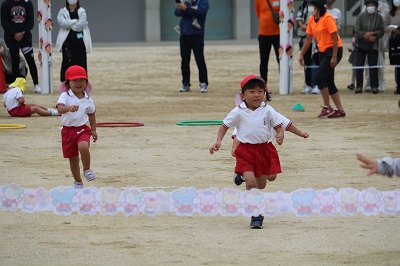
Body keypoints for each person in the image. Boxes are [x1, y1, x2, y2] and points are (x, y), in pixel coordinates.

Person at [209, 75, 284, 229]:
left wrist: (280, 134)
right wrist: (218, 141)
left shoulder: (268, 110)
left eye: (260, 91)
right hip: (245, 151)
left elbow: (278, 125)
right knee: (251, 183)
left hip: (263, 150)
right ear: (242, 95)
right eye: (251, 91)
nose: (256, 95)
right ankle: (256, 214)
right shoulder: (238, 111)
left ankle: (241, 175)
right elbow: (224, 125)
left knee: (261, 184)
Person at [232, 86, 309, 186]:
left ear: (266, 98)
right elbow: (237, 134)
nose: (257, 96)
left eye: (261, 93)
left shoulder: (271, 113)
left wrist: (300, 133)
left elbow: (288, 125)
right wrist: (234, 147)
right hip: (249, 148)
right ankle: (244, 174)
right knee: (253, 176)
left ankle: (248, 176)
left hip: (267, 149)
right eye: (253, 93)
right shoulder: (244, 114)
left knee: (271, 177)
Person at [298, 0, 346, 118]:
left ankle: (327, 107)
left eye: (311, 5)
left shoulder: (328, 18)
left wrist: (334, 56)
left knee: (319, 77)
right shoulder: (311, 19)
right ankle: (340, 110)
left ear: (317, 7)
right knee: (329, 81)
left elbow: (335, 38)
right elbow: (308, 39)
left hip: (334, 49)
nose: (309, 7)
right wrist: (302, 54)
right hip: (322, 51)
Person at [56, 65, 97, 189]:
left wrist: (93, 129)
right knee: (73, 160)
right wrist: (68, 108)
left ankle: (87, 169)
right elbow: (59, 109)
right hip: (68, 131)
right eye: (74, 80)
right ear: (68, 82)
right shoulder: (65, 96)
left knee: (83, 146)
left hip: (82, 129)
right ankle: (78, 182)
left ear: (86, 81)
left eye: (82, 80)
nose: (79, 83)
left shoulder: (87, 98)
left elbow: (92, 113)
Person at [1, 0, 41, 93]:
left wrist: (23, 32)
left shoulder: (27, 3)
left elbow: (30, 21)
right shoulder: (6, 4)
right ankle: (17, 85)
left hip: (25, 37)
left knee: (30, 61)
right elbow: (4, 22)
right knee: (14, 62)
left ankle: (36, 85)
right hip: (11, 38)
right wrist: (14, 33)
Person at [175, 0, 209, 93]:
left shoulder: (203, 2)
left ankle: (203, 83)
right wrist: (187, 8)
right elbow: (177, 12)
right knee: (184, 61)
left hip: (197, 36)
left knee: (200, 60)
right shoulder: (185, 1)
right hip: (184, 36)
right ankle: (185, 83)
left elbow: (200, 12)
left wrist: (186, 8)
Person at [55, 0, 92, 83]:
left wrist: (69, 25)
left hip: (79, 42)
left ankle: (82, 82)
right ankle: (65, 82)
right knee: (66, 62)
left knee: (80, 62)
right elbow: (62, 23)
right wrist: (75, 21)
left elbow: (81, 25)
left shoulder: (82, 11)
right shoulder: (62, 11)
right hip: (67, 42)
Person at [354, 0, 385, 94]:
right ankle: (359, 86)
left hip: (373, 45)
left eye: (372, 5)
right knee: (359, 66)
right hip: (361, 45)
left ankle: (374, 86)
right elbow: (357, 30)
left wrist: (373, 34)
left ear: (376, 7)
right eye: (368, 5)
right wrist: (365, 36)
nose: (370, 7)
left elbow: (381, 30)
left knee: (373, 66)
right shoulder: (361, 16)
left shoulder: (379, 17)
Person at [362, 0, 390, 93]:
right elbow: (362, 19)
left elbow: (383, 20)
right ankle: (368, 84)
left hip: (380, 38)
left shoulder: (384, 6)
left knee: (379, 61)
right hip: (367, 38)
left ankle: (381, 84)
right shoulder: (365, 7)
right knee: (367, 62)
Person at [255, 0, 280, 86]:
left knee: (280, 59)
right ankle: (263, 84)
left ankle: (283, 83)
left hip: (278, 34)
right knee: (264, 61)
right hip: (263, 34)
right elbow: (257, 12)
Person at [297, 0, 319, 94]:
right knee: (307, 61)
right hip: (305, 36)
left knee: (317, 60)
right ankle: (308, 84)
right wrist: (302, 26)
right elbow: (299, 17)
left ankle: (317, 84)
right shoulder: (303, 4)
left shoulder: (319, 5)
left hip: (317, 38)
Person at [386, 0, 400, 95]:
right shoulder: (390, 13)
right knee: (397, 65)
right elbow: (384, 26)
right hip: (395, 41)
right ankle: (399, 86)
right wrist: (394, 30)